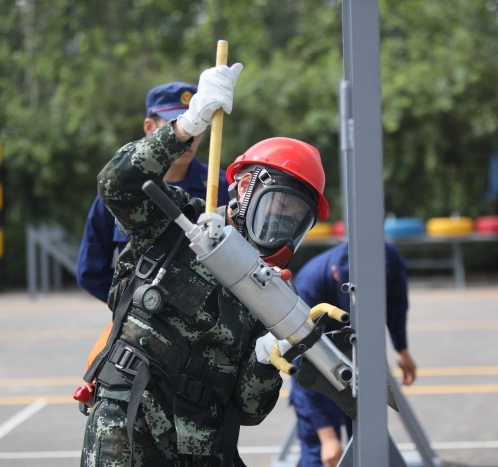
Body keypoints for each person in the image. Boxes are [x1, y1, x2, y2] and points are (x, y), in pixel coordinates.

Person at [80, 62, 333, 467]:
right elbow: (116, 184)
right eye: (276, 207)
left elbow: (251, 409)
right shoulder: (179, 223)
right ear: (246, 191)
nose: (279, 223)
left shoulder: (270, 292)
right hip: (130, 424)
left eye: (292, 216)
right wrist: (185, 126)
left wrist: (267, 355)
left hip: (200, 444)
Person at [76, 81, 231, 303]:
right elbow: (90, 271)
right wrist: (132, 304)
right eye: (178, 124)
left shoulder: (221, 186)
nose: (191, 136)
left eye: (199, 125)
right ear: (150, 127)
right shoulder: (122, 192)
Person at [289, 241, 417, 467]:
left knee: (363, 436)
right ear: (337, 275)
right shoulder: (309, 286)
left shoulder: (389, 259)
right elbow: (304, 369)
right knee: (322, 452)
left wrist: (402, 349)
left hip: (355, 361)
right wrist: (327, 437)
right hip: (315, 362)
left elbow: (397, 305)